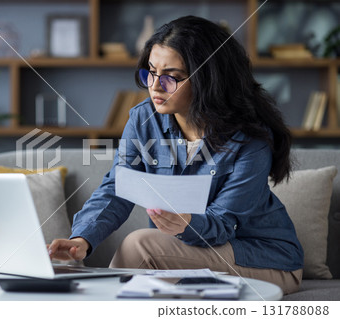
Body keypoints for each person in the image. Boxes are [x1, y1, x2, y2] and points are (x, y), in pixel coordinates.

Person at [48, 15, 304, 295]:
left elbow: (223, 223)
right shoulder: (143, 119)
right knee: (145, 259)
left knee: (141, 245)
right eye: (151, 72)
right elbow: (118, 188)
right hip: (185, 252)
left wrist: (187, 224)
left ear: (208, 80)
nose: (155, 86)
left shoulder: (251, 140)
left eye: (172, 77)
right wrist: (82, 239)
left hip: (263, 259)